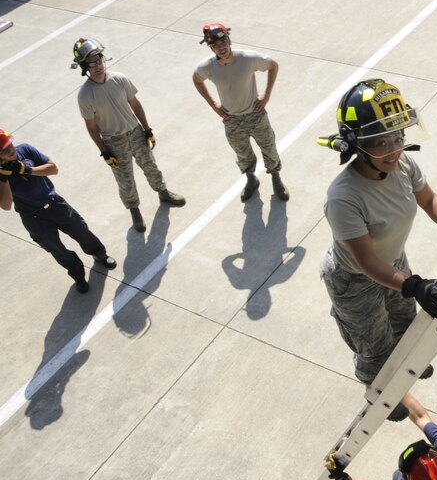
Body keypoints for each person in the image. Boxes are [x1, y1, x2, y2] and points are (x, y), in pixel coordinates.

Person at [319, 79, 437, 420]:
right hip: (355, 279)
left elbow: (429, 199)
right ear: (356, 145)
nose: (392, 149)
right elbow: (368, 262)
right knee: (374, 345)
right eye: (379, 142)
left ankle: (404, 368)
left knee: (404, 320)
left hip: (394, 262)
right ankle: (382, 393)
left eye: (398, 136)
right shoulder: (344, 197)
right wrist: (414, 285)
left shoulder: (402, 166)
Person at [73, 38, 186, 233]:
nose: (98, 66)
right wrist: (104, 151)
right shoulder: (85, 95)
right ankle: (134, 211)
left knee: (150, 165)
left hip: (135, 132)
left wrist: (147, 129)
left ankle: (163, 192)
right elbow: (91, 127)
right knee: (125, 179)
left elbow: (135, 104)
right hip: (114, 141)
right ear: (85, 67)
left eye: (100, 61)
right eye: (92, 64)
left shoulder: (119, 79)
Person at [0, 129, 116, 293]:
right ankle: (78, 276)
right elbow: (5, 205)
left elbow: (53, 169)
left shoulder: (25, 150)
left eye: (9, 145)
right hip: (33, 217)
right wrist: (3, 178)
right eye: (3, 150)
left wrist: (27, 170)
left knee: (81, 231)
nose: (9, 150)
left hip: (55, 204)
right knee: (57, 249)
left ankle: (100, 255)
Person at [192, 23, 289, 202]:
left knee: (269, 148)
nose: (221, 47)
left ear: (229, 40)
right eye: (215, 45)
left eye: (223, 42)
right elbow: (197, 79)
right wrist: (213, 104)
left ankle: (276, 179)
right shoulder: (208, 67)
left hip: (255, 114)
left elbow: (273, 66)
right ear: (211, 47)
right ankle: (251, 179)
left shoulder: (247, 58)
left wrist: (266, 94)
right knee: (242, 154)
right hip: (232, 119)